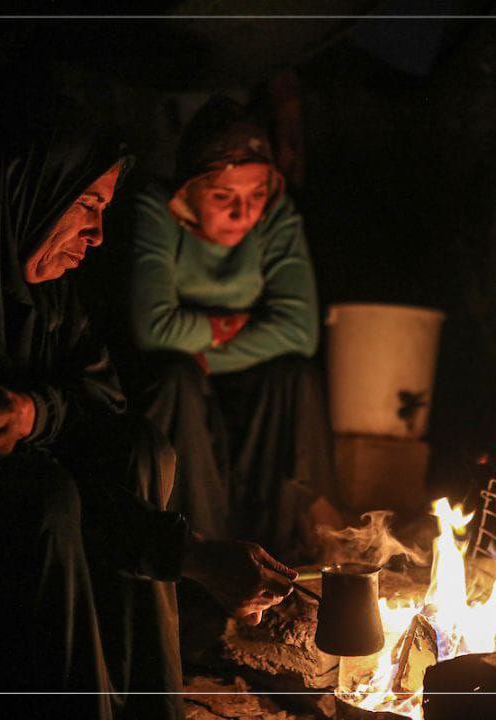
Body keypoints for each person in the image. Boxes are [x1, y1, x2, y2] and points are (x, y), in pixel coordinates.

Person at [0, 98, 296, 719]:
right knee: (47, 497)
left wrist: (40, 413)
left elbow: (102, 406)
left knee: (145, 449)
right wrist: (192, 554)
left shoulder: (53, 300)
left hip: (66, 494)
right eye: (87, 206)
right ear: (31, 189)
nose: (96, 235)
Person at [129, 96, 342, 561]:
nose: (242, 214)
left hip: (241, 374)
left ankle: (292, 550)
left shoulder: (276, 217)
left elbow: (299, 331)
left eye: (255, 196)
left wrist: (206, 348)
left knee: (295, 375)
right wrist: (228, 325)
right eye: (223, 197)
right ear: (188, 192)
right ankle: (204, 555)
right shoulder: (158, 210)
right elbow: (152, 329)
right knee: (176, 378)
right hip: (177, 381)